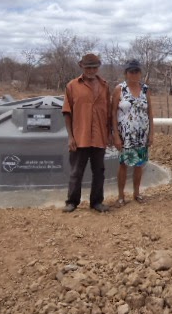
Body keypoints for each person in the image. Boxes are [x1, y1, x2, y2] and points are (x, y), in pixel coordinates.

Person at [62, 53, 112, 213]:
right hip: (80, 136)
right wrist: (70, 137)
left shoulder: (104, 86)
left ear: (98, 67)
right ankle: (72, 202)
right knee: (76, 172)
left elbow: (109, 112)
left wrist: (110, 133)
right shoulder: (72, 86)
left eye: (94, 67)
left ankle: (96, 202)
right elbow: (67, 112)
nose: (91, 70)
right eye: (88, 67)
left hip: (99, 137)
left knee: (99, 172)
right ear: (81, 66)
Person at [112, 59, 154, 205]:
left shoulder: (145, 89)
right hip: (125, 135)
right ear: (126, 73)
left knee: (139, 164)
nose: (134, 74)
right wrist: (116, 135)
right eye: (131, 71)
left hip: (141, 134)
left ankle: (136, 193)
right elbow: (113, 113)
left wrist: (151, 133)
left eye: (136, 71)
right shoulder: (120, 89)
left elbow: (150, 112)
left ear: (140, 73)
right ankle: (121, 196)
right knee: (123, 164)